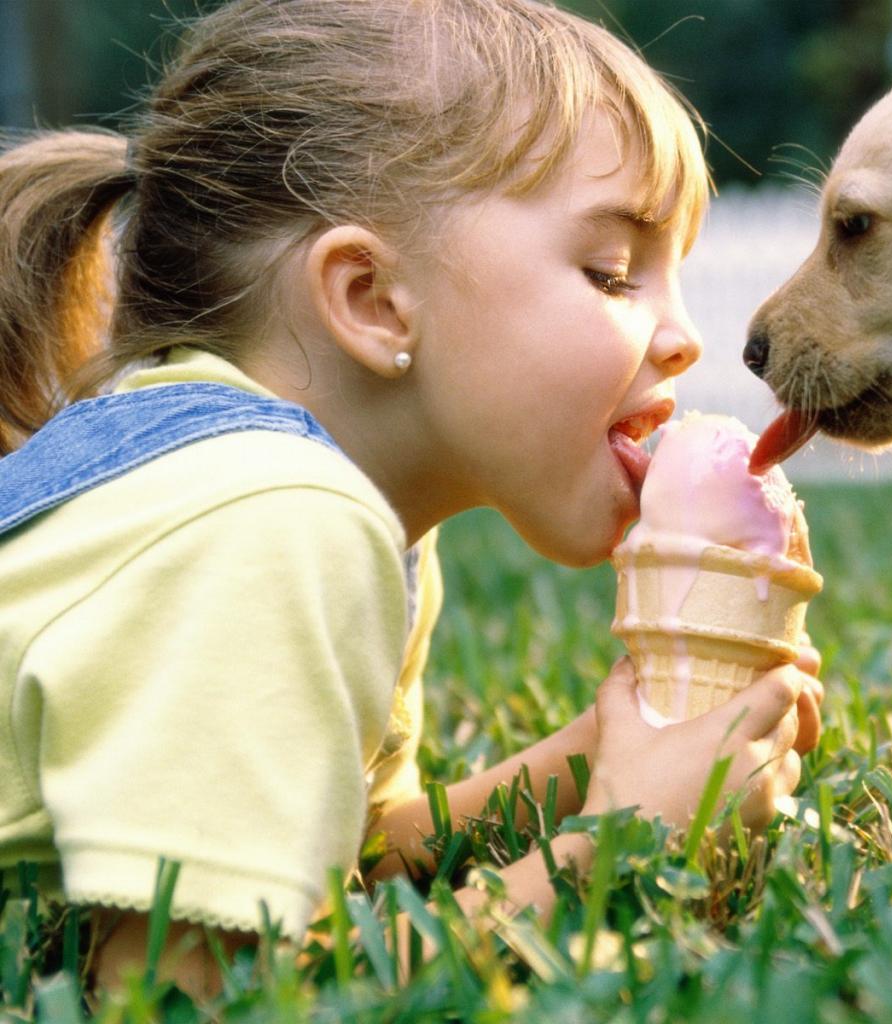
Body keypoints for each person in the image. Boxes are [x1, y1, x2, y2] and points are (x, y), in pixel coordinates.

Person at [0, 0, 822, 999]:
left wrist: (586, 759)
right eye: (610, 272)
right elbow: (191, 994)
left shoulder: (327, 513)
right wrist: (621, 845)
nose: (683, 336)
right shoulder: (268, 519)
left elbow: (351, 861)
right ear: (370, 298)